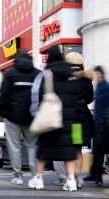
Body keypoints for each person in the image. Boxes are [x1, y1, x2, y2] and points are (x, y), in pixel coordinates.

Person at [28, 45, 82, 192]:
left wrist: (35, 115)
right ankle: (71, 180)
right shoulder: (71, 76)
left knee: (44, 150)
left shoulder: (45, 74)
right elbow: (78, 98)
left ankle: (38, 179)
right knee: (68, 151)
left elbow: (35, 98)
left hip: (49, 119)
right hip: (69, 120)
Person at [52, 52, 94, 188]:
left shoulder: (62, 78)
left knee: (66, 148)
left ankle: (70, 178)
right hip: (80, 116)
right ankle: (78, 178)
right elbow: (89, 98)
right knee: (77, 149)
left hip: (66, 116)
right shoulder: (87, 79)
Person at [0, 49, 40, 185]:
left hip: (12, 116)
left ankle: (18, 176)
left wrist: (3, 114)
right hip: (32, 117)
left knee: (14, 146)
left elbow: (4, 94)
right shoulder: (37, 73)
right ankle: (35, 177)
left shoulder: (10, 73)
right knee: (32, 146)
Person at [91, 66, 109, 186]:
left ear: (101, 74)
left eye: (97, 74)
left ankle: (97, 173)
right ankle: (97, 174)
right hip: (99, 124)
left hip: (105, 124)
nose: (95, 77)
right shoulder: (98, 87)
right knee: (98, 150)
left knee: (101, 149)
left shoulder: (106, 87)